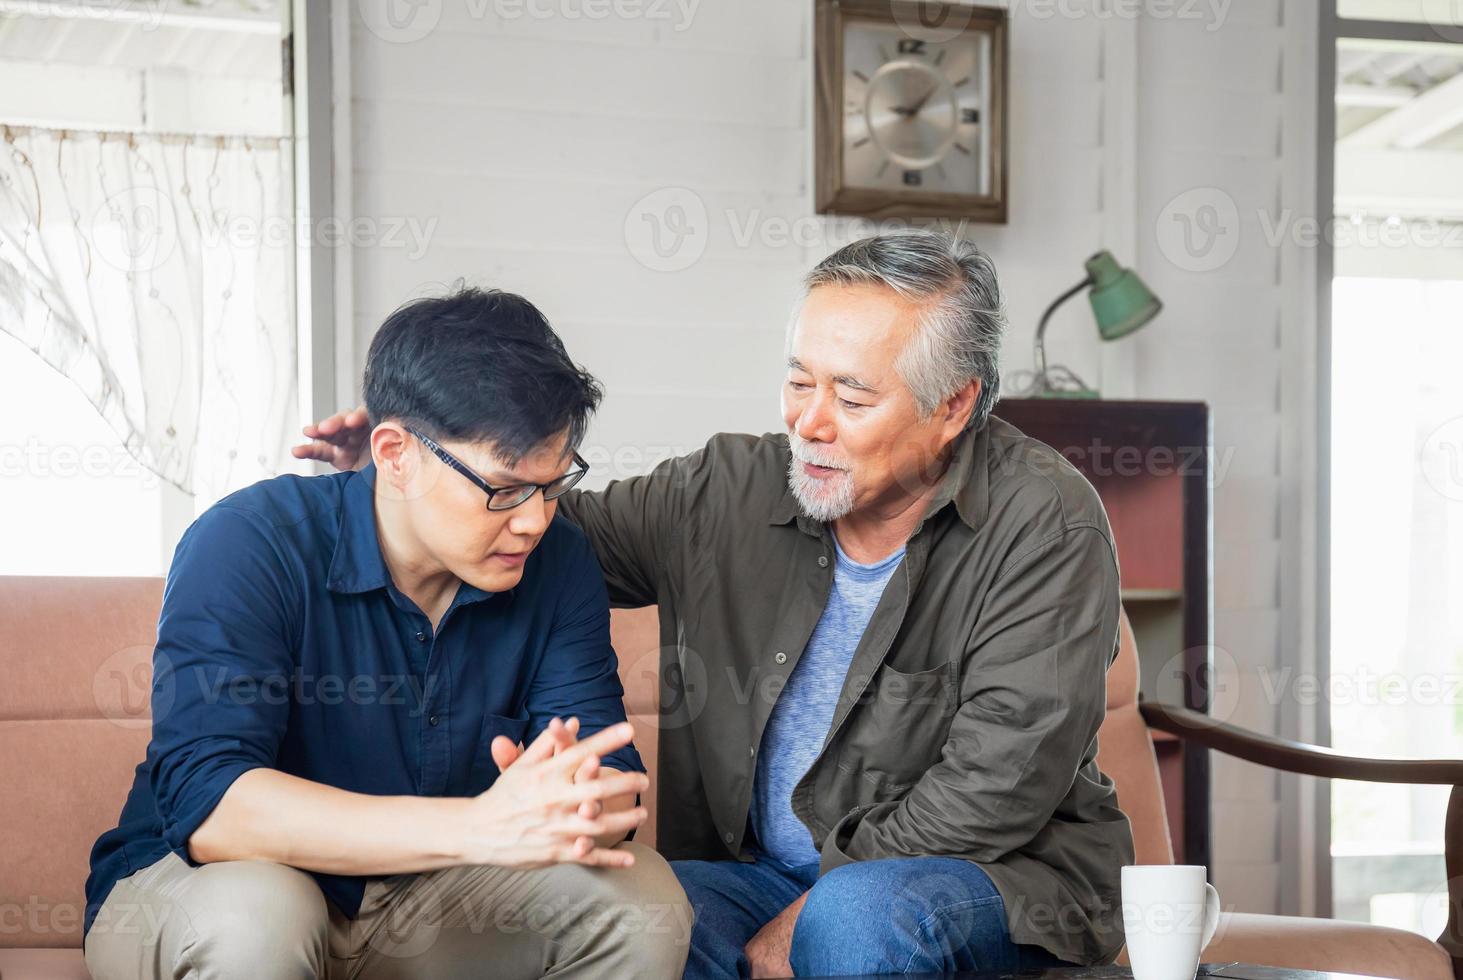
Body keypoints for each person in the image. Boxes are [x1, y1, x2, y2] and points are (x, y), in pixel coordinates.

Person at [297, 233, 1134, 978]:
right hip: (754, 872)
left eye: (851, 398)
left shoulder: (1044, 521)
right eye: (798, 380)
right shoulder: (725, 489)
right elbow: (547, 530)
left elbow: (998, 783)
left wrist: (804, 919)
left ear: (953, 404)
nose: (809, 422)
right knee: (640, 910)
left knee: (854, 922)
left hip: (990, 879)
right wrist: (418, 483)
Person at [85, 287, 692, 980]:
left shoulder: (559, 564)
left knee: (640, 896)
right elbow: (211, 806)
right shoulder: (248, 541)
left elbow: (610, 788)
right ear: (396, 453)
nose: (533, 521)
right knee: (263, 912)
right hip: (208, 886)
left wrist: (583, 803)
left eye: (551, 487)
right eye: (503, 490)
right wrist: (481, 825)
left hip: (426, 898)